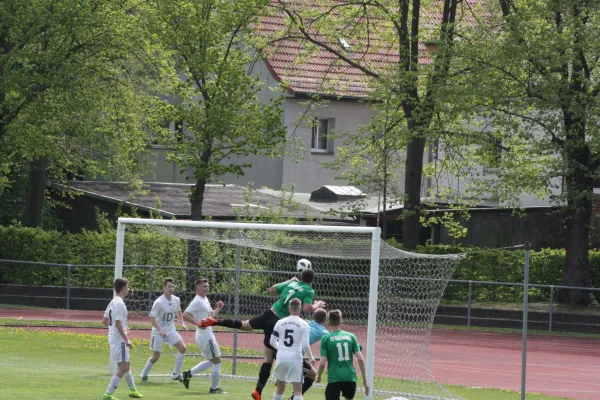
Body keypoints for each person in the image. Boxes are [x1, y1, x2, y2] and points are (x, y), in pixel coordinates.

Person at [199, 266, 326, 400]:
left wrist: (288, 281)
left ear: (300, 277)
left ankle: (215, 321)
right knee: (269, 360)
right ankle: (260, 390)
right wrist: (316, 305)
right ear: (312, 281)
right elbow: (307, 308)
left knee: (243, 325)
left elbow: (272, 290)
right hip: (277, 323)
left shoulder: (292, 283)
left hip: (268, 314)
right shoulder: (309, 291)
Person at [180, 278, 226, 394]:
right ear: (197, 288)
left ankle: (189, 373)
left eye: (207, 286)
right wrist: (198, 324)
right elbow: (185, 314)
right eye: (204, 286)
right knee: (217, 361)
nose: (207, 288)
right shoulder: (197, 301)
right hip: (205, 335)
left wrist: (218, 309)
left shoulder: (204, 299)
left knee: (212, 361)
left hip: (207, 334)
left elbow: (210, 315)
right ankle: (214, 389)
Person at [140, 277, 188, 381]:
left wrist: (182, 323)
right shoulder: (159, 302)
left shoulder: (176, 299)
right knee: (156, 357)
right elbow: (152, 319)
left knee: (183, 348)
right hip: (158, 332)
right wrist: (160, 330)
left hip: (170, 330)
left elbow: (178, 311)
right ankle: (144, 373)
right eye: (169, 286)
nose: (171, 288)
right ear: (164, 287)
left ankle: (176, 374)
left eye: (172, 287)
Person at [103, 278, 143, 400]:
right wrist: (126, 339)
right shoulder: (120, 304)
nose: (129, 289)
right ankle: (108, 394)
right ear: (123, 288)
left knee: (127, 365)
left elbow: (105, 321)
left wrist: (122, 328)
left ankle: (133, 390)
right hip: (119, 341)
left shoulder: (113, 302)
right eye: (127, 286)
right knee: (123, 368)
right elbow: (118, 323)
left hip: (114, 338)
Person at [316, 309, 370, 400]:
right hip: (350, 378)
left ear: (328, 323)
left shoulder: (326, 339)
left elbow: (322, 363)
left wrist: (319, 376)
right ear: (341, 322)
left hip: (334, 378)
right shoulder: (351, 336)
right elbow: (361, 359)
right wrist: (365, 381)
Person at [269, 298, 315, 400]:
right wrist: (311, 358)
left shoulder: (280, 322)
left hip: (281, 357)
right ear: (300, 308)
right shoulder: (304, 324)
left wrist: (281, 348)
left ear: (289, 308)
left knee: (280, 389)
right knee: (298, 391)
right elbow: (305, 344)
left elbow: (272, 341)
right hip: (295, 358)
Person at [286, 307, 328, 400]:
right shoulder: (324, 332)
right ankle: (295, 397)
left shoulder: (305, 322)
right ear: (325, 320)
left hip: (284, 351)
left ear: (313, 316)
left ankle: (294, 396)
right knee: (311, 375)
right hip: (294, 356)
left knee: (309, 374)